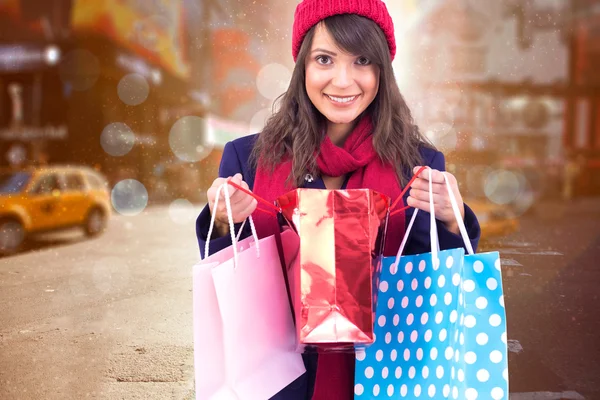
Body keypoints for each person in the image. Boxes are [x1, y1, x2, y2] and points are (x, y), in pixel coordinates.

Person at [195, 0, 481, 398]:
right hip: (276, 380)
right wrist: (222, 219)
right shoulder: (248, 159)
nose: (343, 81)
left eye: (362, 60)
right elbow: (227, 273)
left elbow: (435, 287)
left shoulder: (418, 166)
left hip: (386, 377)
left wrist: (452, 221)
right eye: (325, 59)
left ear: (382, 70)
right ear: (303, 69)